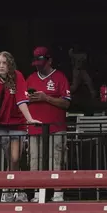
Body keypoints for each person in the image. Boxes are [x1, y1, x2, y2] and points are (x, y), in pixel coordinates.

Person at [0, 51, 42, 203]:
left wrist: (29, 119)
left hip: (18, 122)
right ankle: (13, 190)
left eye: (4, 63)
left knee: (15, 158)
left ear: (10, 64)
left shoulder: (17, 76)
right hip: (1, 123)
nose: (1, 66)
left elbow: (21, 99)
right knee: (10, 160)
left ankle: (14, 189)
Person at [26, 47, 71, 202]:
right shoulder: (31, 78)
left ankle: (58, 194)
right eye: (37, 62)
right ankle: (39, 193)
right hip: (35, 127)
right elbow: (22, 101)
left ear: (49, 61)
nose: (39, 65)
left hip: (56, 126)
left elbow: (66, 103)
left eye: (42, 62)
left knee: (56, 159)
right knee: (35, 160)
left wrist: (46, 98)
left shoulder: (60, 77)